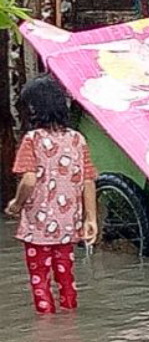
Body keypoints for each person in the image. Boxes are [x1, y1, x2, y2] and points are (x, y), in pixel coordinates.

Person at [4, 76, 99, 314]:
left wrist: (16, 204)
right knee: (67, 279)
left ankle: (47, 327)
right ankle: (69, 320)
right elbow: (88, 180)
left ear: (33, 109)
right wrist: (91, 219)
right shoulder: (77, 139)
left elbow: (28, 179)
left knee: (41, 282)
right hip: (68, 226)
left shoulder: (32, 140)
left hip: (38, 228)